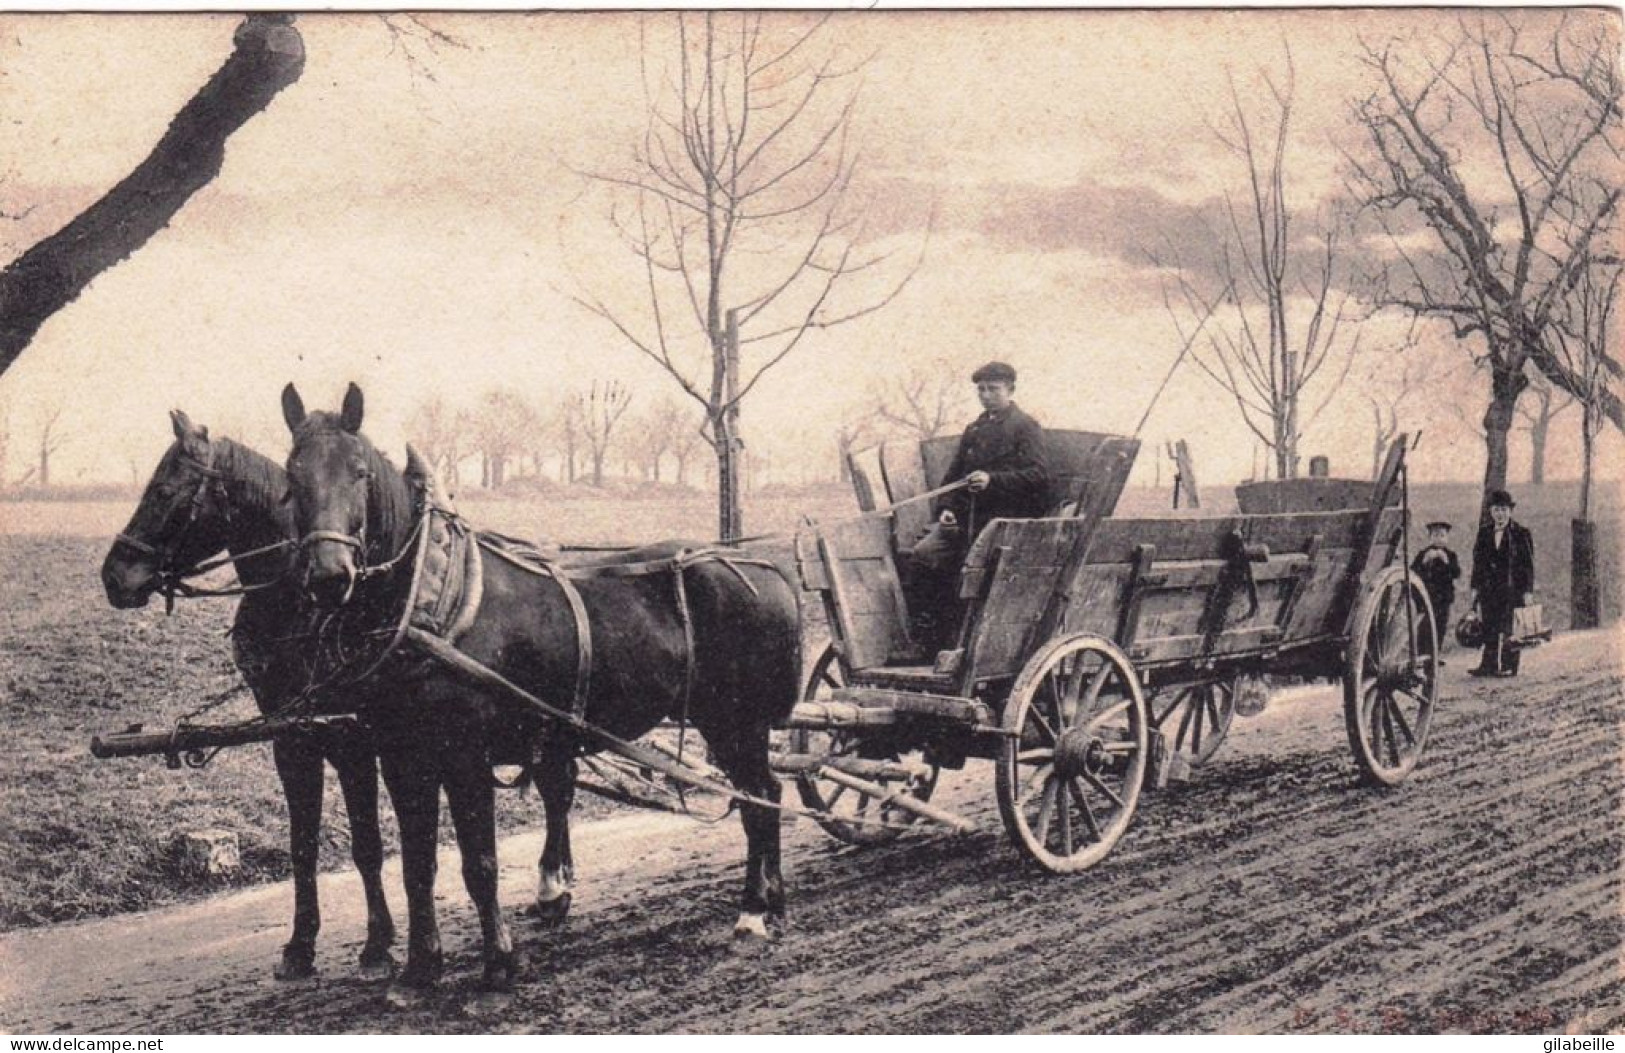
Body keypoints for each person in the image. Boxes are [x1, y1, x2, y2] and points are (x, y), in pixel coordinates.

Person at [905, 360, 1051, 649]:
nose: (985, 395)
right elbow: (954, 476)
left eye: (993, 389)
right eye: (981, 390)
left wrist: (992, 480)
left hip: (1005, 521)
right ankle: (928, 640)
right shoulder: (974, 429)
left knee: (970, 571)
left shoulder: (1025, 427)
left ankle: (965, 646)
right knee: (923, 554)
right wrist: (946, 509)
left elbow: (1040, 475)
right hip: (965, 519)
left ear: (1010, 390)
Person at [1468, 490, 1535, 678]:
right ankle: (1487, 665)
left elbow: (1527, 565)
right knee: (1489, 626)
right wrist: (1475, 588)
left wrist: (1527, 591)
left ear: (1510, 511)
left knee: (1509, 629)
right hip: (1489, 589)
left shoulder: (1521, 533)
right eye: (1496, 510)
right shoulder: (1484, 533)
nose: (1500, 514)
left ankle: (1509, 666)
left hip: (1512, 589)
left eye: (1504, 509)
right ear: (1490, 511)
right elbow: (1478, 564)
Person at [1411, 520, 1461, 640]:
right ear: (1430, 538)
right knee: (1424, 628)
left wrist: (1446, 562)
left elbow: (1456, 573)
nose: (1439, 539)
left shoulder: (1450, 555)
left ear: (1447, 538)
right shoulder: (1424, 554)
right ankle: (1423, 655)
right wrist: (1424, 562)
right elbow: (1413, 572)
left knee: (1440, 627)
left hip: (1443, 599)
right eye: (1435, 535)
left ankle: (1436, 654)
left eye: (1442, 535)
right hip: (1425, 597)